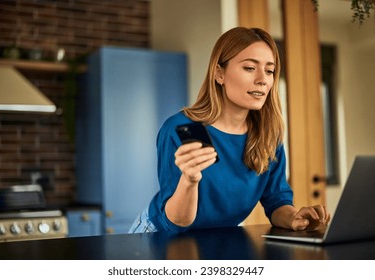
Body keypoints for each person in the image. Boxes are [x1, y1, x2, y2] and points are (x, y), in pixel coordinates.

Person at [129, 26, 330, 234]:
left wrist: (293, 218)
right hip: (161, 235)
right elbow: (177, 221)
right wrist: (189, 181)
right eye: (250, 68)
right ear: (219, 74)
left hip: (220, 237)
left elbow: (276, 200)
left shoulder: (267, 134)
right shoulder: (186, 129)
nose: (262, 79)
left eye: (269, 71)